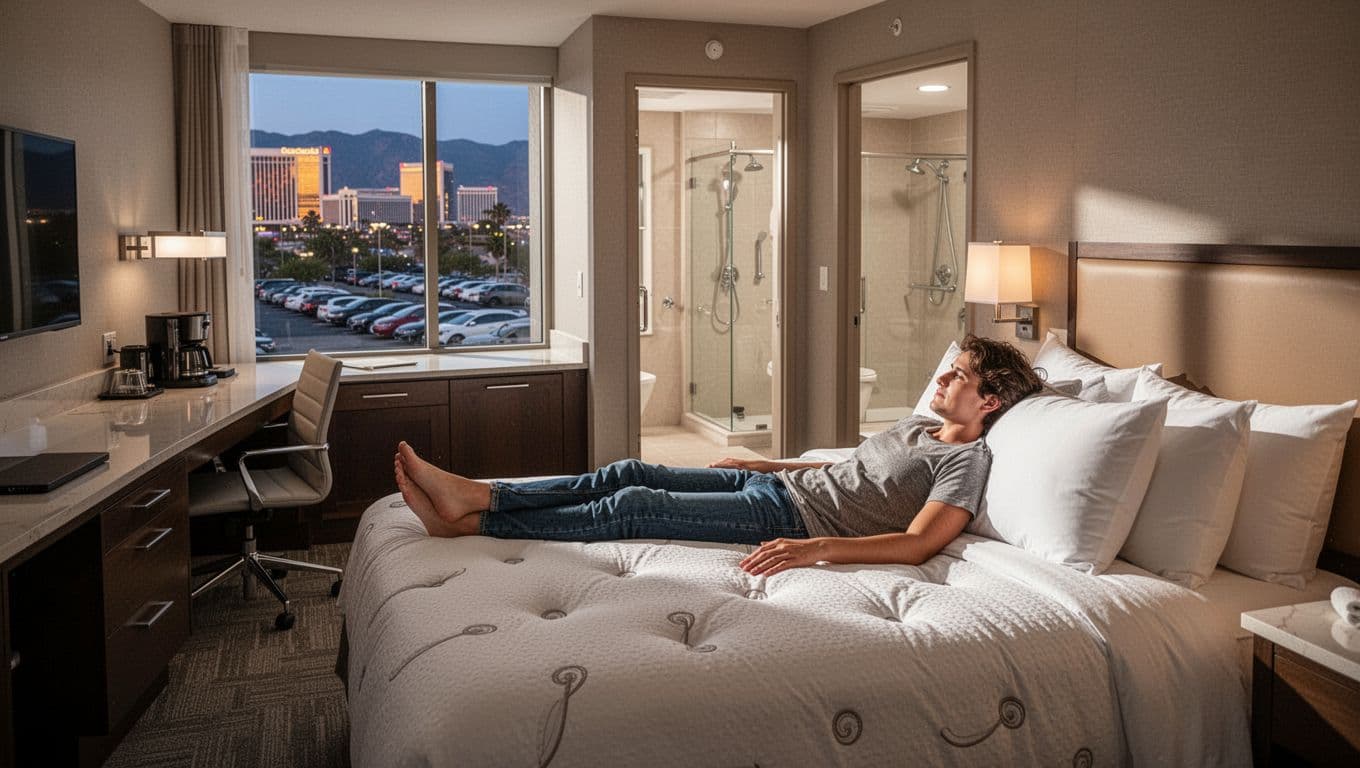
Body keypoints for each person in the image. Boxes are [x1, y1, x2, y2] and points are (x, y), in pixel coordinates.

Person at [393, 334, 1042, 576]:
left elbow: (917, 544)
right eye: (951, 369)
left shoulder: (965, 462)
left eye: (959, 375)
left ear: (989, 401)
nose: (943, 378)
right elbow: (845, 469)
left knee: (633, 504)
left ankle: (473, 520)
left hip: (790, 522)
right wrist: (770, 465)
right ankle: (481, 494)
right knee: (629, 470)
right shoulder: (919, 427)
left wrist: (814, 549)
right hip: (780, 490)